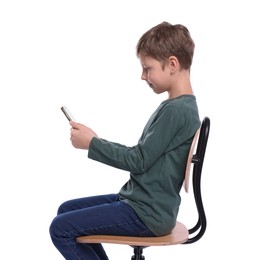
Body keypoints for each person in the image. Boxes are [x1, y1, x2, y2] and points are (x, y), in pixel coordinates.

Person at [50, 21, 201, 260]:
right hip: (144, 203)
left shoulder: (177, 111)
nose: (143, 76)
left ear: (172, 64)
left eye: (147, 68)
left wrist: (92, 144)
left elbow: (138, 160)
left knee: (60, 228)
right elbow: (142, 155)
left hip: (147, 213)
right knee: (65, 211)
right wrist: (95, 141)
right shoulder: (178, 107)